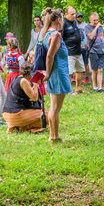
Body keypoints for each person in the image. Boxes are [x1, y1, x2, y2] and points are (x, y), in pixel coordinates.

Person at [43, 9, 71, 142]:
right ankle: (54, 136)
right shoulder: (55, 35)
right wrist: (48, 73)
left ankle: (53, 135)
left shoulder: (46, 33)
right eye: (63, 20)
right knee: (55, 107)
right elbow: (50, 55)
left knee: (53, 106)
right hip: (58, 73)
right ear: (59, 19)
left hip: (55, 72)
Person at [2, 61, 45, 133]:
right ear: (29, 73)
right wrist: (36, 84)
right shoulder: (23, 81)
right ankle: (22, 128)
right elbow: (34, 98)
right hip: (16, 114)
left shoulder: (15, 78)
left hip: (8, 113)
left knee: (43, 115)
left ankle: (18, 127)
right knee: (48, 116)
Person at [63, 6, 85, 94]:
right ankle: (68, 90)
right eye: (72, 14)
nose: (74, 15)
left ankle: (78, 88)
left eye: (75, 13)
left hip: (78, 51)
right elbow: (60, 38)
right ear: (66, 14)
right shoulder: (63, 23)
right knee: (69, 72)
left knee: (79, 70)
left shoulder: (74, 22)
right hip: (69, 52)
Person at [85, 12, 104, 91]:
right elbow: (90, 36)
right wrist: (96, 27)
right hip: (93, 51)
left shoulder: (101, 28)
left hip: (101, 50)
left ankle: (100, 87)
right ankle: (94, 86)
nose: (96, 22)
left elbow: (101, 37)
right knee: (94, 70)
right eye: (94, 20)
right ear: (90, 20)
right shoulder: (88, 27)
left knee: (100, 69)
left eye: (97, 20)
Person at [76, 12, 90, 82]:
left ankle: (87, 77)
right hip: (77, 47)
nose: (80, 18)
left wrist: (87, 43)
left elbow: (88, 35)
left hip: (84, 46)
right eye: (78, 17)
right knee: (76, 62)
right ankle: (76, 78)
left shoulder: (86, 25)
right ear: (76, 18)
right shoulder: (74, 25)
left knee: (85, 62)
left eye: (81, 17)